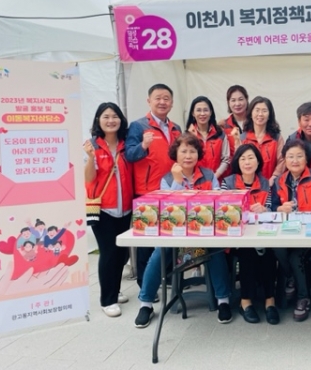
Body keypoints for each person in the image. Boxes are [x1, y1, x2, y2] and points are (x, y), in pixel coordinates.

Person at [134, 133, 233, 328]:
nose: (188, 156)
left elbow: (218, 203)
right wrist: (178, 181)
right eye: (184, 151)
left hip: (205, 233)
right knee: (158, 254)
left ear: (198, 154)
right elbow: (168, 210)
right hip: (176, 235)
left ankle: (223, 301)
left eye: (192, 151)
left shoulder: (209, 175)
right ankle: (146, 304)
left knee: (217, 251)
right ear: (176, 154)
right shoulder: (167, 179)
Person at [126, 84, 182, 289]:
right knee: (147, 241)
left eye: (166, 98)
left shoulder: (176, 128)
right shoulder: (138, 126)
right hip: (147, 192)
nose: (162, 102)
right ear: (149, 101)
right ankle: (145, 284)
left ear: (172, 103)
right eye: (158, 98)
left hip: (172, 190)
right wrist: (143, 146)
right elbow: (129, 155)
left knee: (170, 235)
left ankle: (166, 277)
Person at [84, 102, 133, 317]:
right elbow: (89, 178)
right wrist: (90, 158)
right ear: (98, 120)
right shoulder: (92, 146)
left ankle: (116, 288)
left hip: (125, 207)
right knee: (109, 252)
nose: (111, 120)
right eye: (106, 116)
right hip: (103, 209)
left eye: (115, 116)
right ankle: (107, 299)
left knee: (122, 252)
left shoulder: (125, 145)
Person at [221, 144, 279, 325]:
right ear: (237, 162)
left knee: (269, 252)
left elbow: (270, 209)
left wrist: (264, 209)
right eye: (243, 158)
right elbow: (222, 210)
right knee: (247, 252)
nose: (247, 162)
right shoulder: (228, 183)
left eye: (251, 158)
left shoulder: (265, 183)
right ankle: (245, 301)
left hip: (261, 233)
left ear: (258, 161)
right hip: (236, 236)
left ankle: (270, 301)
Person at [271, 139, 311, 322]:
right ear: (285, 160)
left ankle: (303, 297)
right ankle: (291, 277)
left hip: (309, 233)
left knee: (296, 256)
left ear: (306, 159)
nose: (295, 160)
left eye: (299, 156)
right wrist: (280, 209)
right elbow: (272, 208)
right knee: (277, 248)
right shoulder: (279, 181)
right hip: (285, 232)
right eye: (290, 157)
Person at [239, 96, 285, 186]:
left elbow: (282, 160)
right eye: (257, 110)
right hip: (248, 185)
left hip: (271, 184)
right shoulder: (243, 138)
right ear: (251, 113)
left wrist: (274, 177)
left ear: (269, 115)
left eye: (264, 111)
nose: (260, 114)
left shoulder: (277, 138)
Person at [186, 96, 230, 180]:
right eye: (198, 110)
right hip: (195, 182)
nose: (202, 114)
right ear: (193, 113)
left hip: (217, 181)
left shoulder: (220, 134)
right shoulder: (188, 135)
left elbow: (226, 159)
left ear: (210, 112)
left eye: (205, 110)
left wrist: (214, 178)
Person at [221, 85, 249, 158]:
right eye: (233, 100)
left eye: (240, 99)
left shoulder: (255, 123)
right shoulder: (223, 126)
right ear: (228, 102)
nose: (237, 104)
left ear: (246, 99)